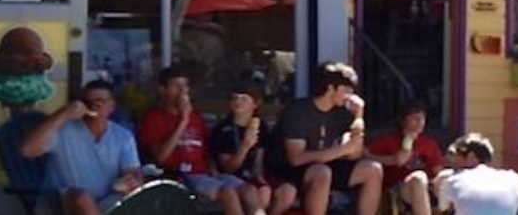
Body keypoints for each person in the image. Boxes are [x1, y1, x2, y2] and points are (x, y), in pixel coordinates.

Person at [270, 61, 385, 215]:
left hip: (325, 165)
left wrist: (359, 115)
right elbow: (295, 159)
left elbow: (354, 154)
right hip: (291, 171)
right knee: (322, 172)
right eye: (346, 89)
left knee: (373, 169)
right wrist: (342, 150)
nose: (350, 95)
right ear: (331, 88)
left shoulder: (342, 112)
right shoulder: (298, 111)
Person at [17, 79, 144, 215]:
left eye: (100, 101)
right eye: (88, 102)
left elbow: (132, 172)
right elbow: (27, 150)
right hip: (61, 202)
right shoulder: (63, 130)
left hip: (106, 202)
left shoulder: (122, 136)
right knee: (81, 198)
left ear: (111, 106)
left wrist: (131, 180)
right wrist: (64, 113)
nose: (94, 106)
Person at [137, 65, 250, 215]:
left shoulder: (196, 118)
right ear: (163, 90)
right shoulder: (153, 119)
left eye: (185, 86)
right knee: (227, 193)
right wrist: (183, 120)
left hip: (203, 173)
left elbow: (205, 149)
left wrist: (212, 168)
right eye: (177, 86)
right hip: (178, 176)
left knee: (249, 192)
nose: (183, 91)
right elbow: (160, 158)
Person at [210, 84, 287, 215]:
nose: (237, 102)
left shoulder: (260, 126)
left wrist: (260, 179)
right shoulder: (223, 129)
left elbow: (259, 161)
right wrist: (245, 146)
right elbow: (228, 168)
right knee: (256, 193)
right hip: (229, 177)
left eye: (244, 98)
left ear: (255, 104)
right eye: (234, 98)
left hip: (250, 175)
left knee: (286, 191)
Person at [368, 102, 447, 215]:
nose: (420, 122)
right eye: (415, 118)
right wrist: (391, 159)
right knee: (418, 177)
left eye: (422, 118)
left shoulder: (429, 143)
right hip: (399, 189)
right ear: (402, 120)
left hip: (427, 188)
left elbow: (438, 171)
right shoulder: (388, 140)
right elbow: (365, 154)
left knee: (446, 177)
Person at [436, 134, 518, 215]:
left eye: (455, 155)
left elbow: (443, 209)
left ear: (471, 156)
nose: (452, 161)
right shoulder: (513, 178)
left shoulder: (452, 181)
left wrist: (439, 183)